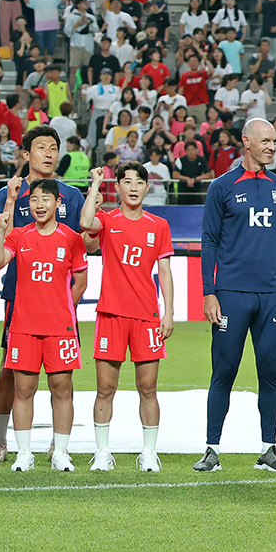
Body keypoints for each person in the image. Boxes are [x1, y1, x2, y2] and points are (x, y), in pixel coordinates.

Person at [197, 118, 276, 472]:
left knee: (270, 373)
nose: (272, 146)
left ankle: (268, 450)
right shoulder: (221, 187)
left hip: (271, 294)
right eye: (267, 141)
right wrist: (209, 292)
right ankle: (211, 450)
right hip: (231, 294)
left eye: (275, 141)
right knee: (223, 373)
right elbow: (208, 240)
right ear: (247, 142)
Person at [0, 124, 85, 460]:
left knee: (62, 377)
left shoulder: (71, 195)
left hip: (59, 304)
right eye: (41, 148)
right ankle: (0, 439)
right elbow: (3, 245)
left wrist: (62, 306)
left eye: (53, 148)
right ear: (27, 154)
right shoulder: (8, 194)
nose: (49, 154)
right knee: (8, 371)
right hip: (19, 296)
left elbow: (81, 244)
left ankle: (60, 443)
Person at [82, 162, 175, 472]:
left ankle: (149, 453)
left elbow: (164, 270)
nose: (133, 187)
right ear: (118, 188)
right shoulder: (108, 220)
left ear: (147, 188)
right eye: (127, 181)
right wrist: (95, 184)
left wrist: (169, 311)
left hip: (146, 317)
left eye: (139, 182)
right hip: (110, 315)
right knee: (105, 388)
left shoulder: (159, 225)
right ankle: (103, 452)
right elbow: (85, 223)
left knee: (148, 387)